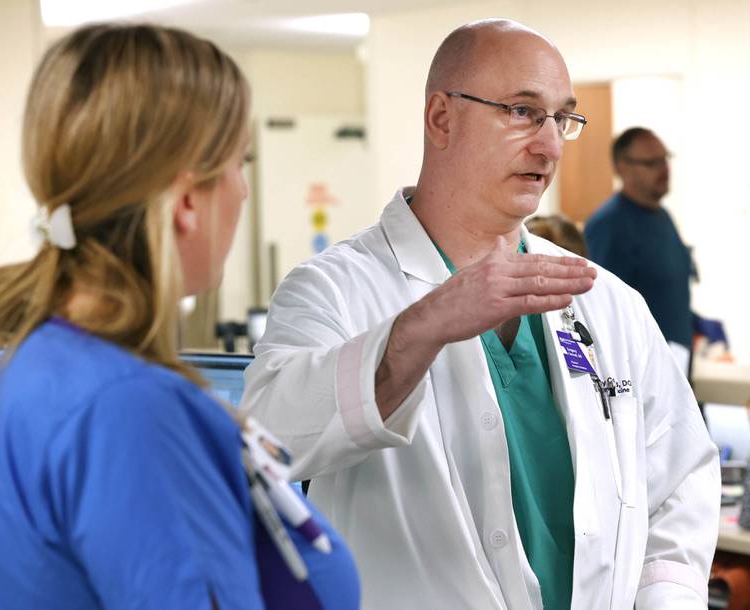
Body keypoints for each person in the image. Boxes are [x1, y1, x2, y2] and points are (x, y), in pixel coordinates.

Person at [242, 18, 719, 610]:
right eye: (521, 112)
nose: (549, 147)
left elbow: (680, 481)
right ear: (442, 118)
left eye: (561, 119)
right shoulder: (334, 289)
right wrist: (427, 323)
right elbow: (271, 440)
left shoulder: (606, 300)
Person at [0, 24, 359, 610]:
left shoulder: (36, 360)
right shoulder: (132, 409)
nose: (243, 191)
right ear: (186, 202)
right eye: (239, 163)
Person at [584, 128, 696, 359]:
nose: (665, 169)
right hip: (644, 370)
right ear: (623, 167)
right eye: (652, 163)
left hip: (677, 359)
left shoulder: (663, 217)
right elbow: (603, 309)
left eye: (665, 159)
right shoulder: (609, 225)